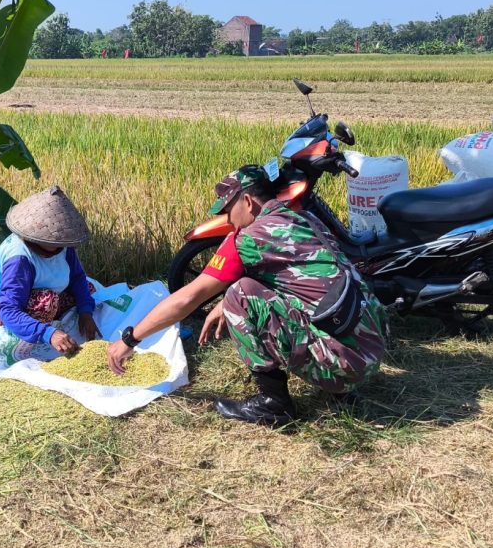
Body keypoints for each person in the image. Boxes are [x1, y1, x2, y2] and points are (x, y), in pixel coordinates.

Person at [107, 165, 387, 425]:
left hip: (345, 365)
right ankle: (340, 389)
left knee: (239, 295)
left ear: (248, 202)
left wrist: (130, 338)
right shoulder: (304, 216)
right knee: (244, 290)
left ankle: (274, 403)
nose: (228, 219)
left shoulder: (248, 238)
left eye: (228, 210)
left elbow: (186, 299)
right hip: (370, 348)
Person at [0, 186, 99, 364]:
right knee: (47, 302)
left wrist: (86, 312)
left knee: (88, 289)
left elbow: (77, 277)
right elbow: (8, 310)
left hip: (30, 295)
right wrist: (49, 334)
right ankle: (30, 347)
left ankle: (50, 326)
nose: (59, 247)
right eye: (53, 243)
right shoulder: (19, 259)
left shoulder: (63, 247)